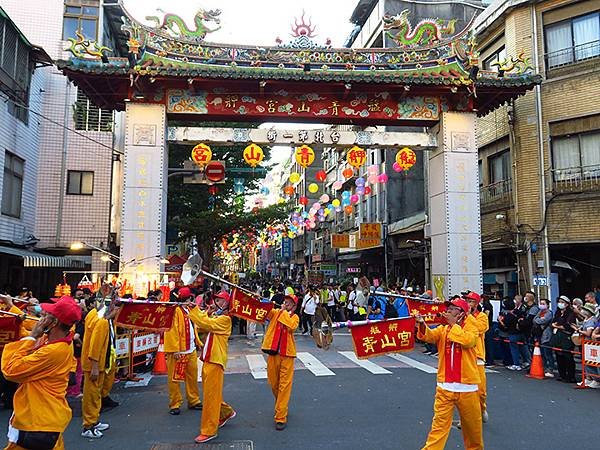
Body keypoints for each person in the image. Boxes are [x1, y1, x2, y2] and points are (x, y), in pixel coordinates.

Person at [1, 295, 81, 450]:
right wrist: (11, 306)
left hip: (38, 422)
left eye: (46, 315)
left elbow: (11, 370)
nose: (41, 316)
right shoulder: (57, 339)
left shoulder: (53, 350)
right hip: (45, 419)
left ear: (54, 322)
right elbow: (28, 330)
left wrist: (31, 336)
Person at [416, 297, 482, 450]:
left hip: (467, 388)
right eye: (449, 308)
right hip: (445, 387)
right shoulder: (444, 329)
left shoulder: (472, 327)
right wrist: (421, 323)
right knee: (438, 427)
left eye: (453, 309)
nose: (448, 311)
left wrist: (454, 325)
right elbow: (429, 336)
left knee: (473, 430)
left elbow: (469, 341)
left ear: (462, 313)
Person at [186, 291, 236, 444]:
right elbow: (201, 328)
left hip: (216, 361)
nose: (218, 303)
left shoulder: (225, 319)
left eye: (222, 301)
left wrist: (195, 311)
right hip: (209, 359)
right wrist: (205, 313)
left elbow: (206, 325)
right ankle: (225, 412)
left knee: (210, 396)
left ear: (228, 304)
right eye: (217, 300)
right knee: (210, 393)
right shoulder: (217, 317)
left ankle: (209, 430)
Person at [80, 296, 120, 439]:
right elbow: (95, 346)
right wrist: (95, 367)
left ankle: (94, 420)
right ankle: (88, 426)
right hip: (94, 365)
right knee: (91, 396)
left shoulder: (99, 317)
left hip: (102, 363)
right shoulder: (101, 321)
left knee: (96, 394)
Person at [261, 294, 299, 430]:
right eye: (285, 301)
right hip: (273, 353)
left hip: (287, 355)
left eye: (289, 303)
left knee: (284, 386)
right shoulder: (276, 312)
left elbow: (291, 326)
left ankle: (280, 416)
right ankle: (281, 405)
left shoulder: (294, 317)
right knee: (273, 383)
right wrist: (262, 301)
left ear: (294, 306)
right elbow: (265, 312)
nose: (286, 303)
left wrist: (283, 311)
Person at [164, 286, 202, 415]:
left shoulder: (188, 310)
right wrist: (175, 350)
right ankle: (175, 404)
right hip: (179, 351)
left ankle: (194, 400)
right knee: (175, 378)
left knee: (192, 376)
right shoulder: (175, 311)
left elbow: (195, 326)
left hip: (190, 349)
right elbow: (171, 331)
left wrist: (197, 341)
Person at [464, 291, 490, 424]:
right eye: (467, 301)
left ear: (476, 303)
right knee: (465, 390)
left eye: (471, 301)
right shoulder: (462, 317)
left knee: (481, 390)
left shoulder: (482, 317)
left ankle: (482, 408)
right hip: (464, 356)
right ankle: (468, 417)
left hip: (478, 356)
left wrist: (468, 316)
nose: (468, 303)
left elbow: (479, 329)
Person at [551, 295, 577, 383]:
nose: (560, 304)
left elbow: (568, 325)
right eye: (559, 302)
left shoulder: (571, 313)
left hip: (566, 337)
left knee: (568, 356)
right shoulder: (558, 312)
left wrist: (557, 325)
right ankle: (562, 375)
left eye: (562, 302)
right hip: (557, 336)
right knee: (558, 355)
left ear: (567, 304)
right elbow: (553, 322)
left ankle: (571, 376)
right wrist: (556, 325)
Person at [576, 303, 599, 388]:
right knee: (586, 362)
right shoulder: (586, 319)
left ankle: (595, 379)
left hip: (590, 343)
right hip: (585, 342)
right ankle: (588, 378)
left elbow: (589, 333)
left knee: (591, 361)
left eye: (585, 310)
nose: (583, 311)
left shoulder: (591, 320)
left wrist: (580, 331)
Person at [532, 298, 555, 378]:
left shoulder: (549, 313)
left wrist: (539, 320)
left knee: (548, 353)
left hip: (546, 335)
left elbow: (543, 321)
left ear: (547, 305)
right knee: (542, 353)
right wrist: (539, 319)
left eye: (543, 303)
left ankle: (551, 369)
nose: (541, 305)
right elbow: (534, 320)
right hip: (539, 335)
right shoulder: (540, 312)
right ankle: (544, 368)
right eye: (540, 303)